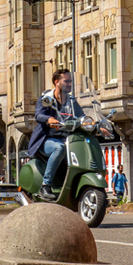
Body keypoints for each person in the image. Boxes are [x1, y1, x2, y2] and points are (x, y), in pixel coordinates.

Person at [28, 69, 84, 201]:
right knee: (60, 148)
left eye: (71, 81)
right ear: (57, 82)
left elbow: (82, 116)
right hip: (46, 139)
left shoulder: (71, 101)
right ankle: (45, 186)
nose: (70, 84)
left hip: (67, 138)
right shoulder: (47, 99)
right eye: (67, 81)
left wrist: (94, 123)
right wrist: (49, 120)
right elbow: (39, 114)